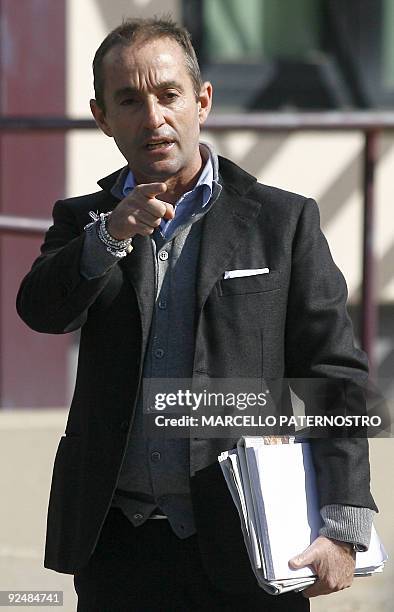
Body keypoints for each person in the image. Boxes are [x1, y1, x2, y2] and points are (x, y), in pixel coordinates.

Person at [16, 17, 377, 612]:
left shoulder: (281, 222)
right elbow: (41, 311)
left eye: (169, 94)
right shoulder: (83, 222)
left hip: (251, 542)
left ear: (202, 101)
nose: (153, 117)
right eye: (129, 100)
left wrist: (343, 523)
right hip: (116, 547)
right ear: (102, 117)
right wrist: (108, 236)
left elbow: (337, 377)